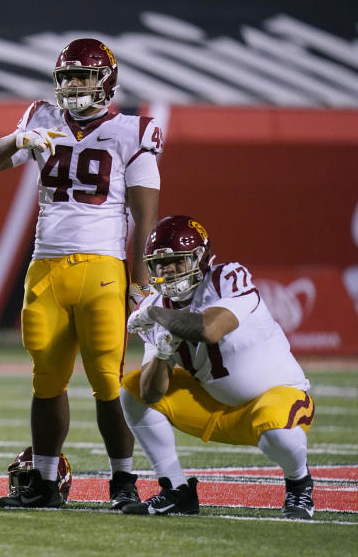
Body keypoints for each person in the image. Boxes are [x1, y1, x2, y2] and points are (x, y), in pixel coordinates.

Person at [0, 38, 162, 509]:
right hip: (46, 269)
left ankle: (123, 483)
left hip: (102, 270)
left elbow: (145, 217)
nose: (74, 84)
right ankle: (45, 482)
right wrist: (18, 140)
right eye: (67, 76)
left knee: (107, 383)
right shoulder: (41, 118)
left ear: (106, 81)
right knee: (46, 381)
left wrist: (140, 284)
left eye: (84, 75)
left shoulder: (133, 131)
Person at [122, 215, 316, 518]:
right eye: (160, 264)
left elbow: (209, 329)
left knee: (278, 434)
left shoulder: (226, 278)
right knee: (131, 389)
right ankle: (176, 489)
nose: (167, 270)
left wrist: (160, 318)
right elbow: (150, 394)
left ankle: (299, 484)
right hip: (213, 407)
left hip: (276, 398)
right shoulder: (154, 308)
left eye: (177, 261)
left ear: (199, 259)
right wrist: (161, 352)